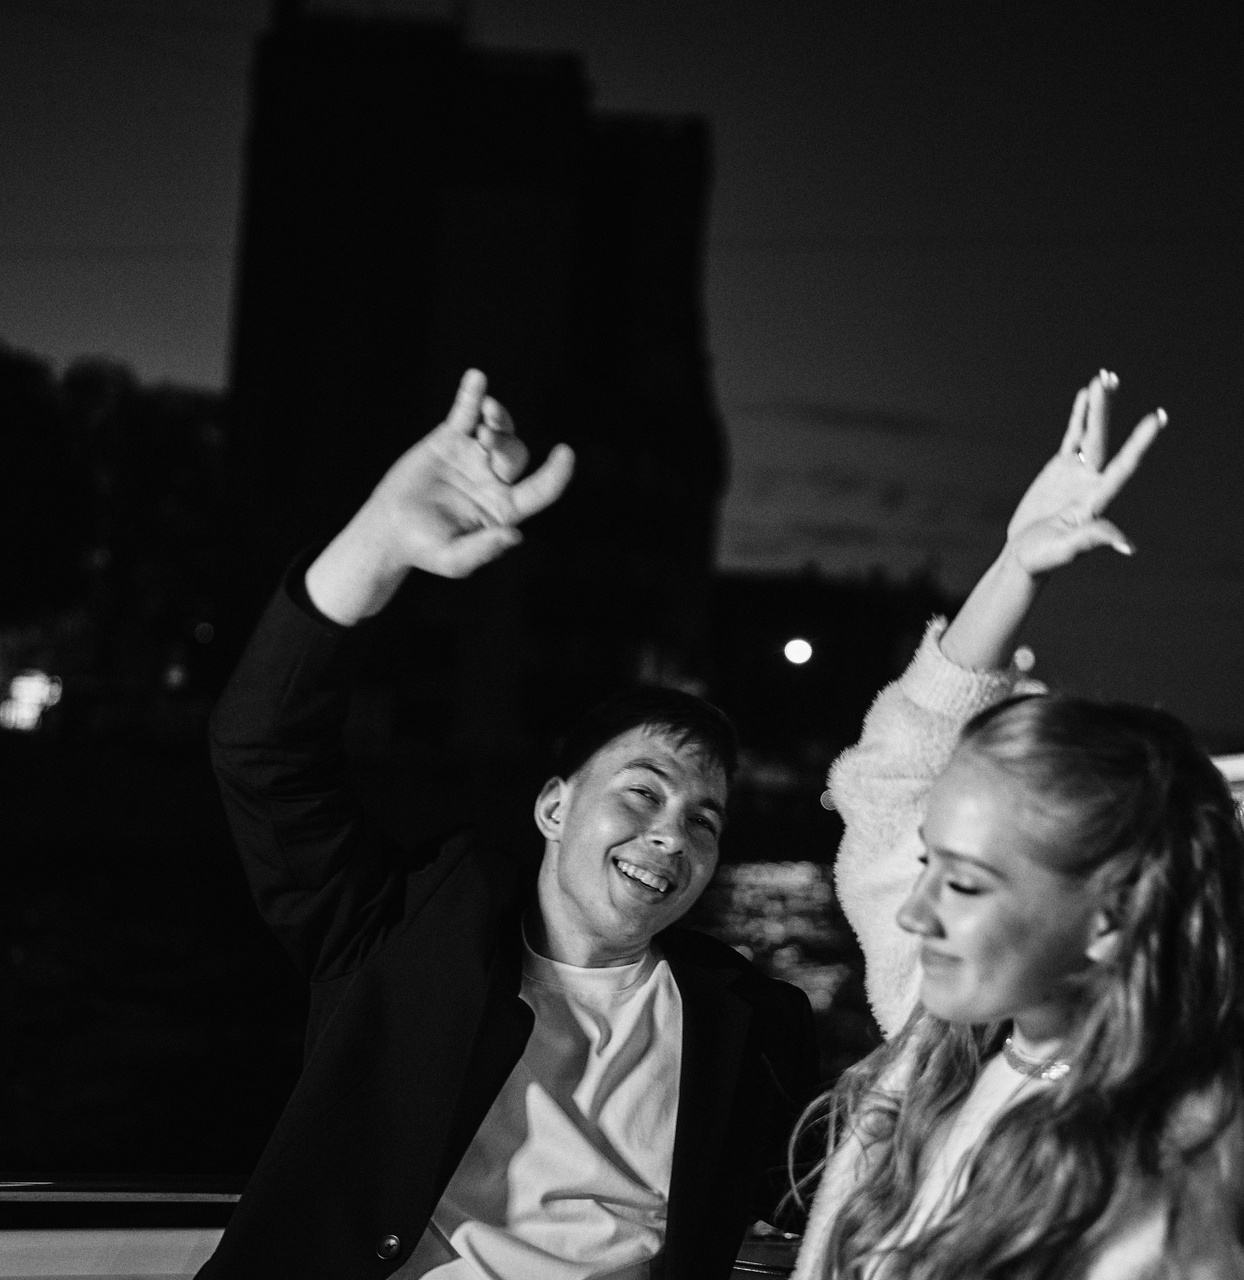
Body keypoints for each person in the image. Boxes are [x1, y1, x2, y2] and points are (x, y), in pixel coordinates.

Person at [202, 370, 820, 1279]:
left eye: (705, 821)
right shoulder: (401, 932)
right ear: (555, 807)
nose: (672, 836)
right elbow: (262, 748)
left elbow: (837, 1195)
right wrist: (380, 541)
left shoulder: (755, 1024)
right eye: (642, 793)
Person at [793, 373, 1244, 1279]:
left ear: (1109, 920)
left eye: (965, 881)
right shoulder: (952, 1033)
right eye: (928, 862)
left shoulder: (1178, 1177)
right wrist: (1013, 570)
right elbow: (891, 781)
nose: (913, 910)